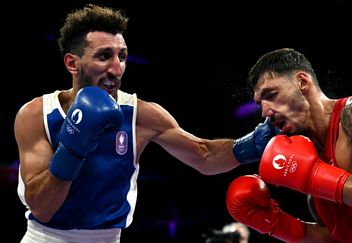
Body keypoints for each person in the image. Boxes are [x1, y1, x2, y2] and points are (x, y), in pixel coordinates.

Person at [13, 4, 279, 242]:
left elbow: (204, 156)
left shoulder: (141, 115)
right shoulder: (37, 115)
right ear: (73, 63)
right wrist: (74, 145)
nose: (117, 69)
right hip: (45, 238)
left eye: (122, 56)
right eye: (104, 56)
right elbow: (42, 208)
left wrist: (255, 143)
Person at [225, 48, 352, 242]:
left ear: (302, 82)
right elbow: (336, 238)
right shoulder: (307, 151)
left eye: (271, 95)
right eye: (260, 104)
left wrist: (313, 175)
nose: (265, 112)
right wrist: (276, 223)